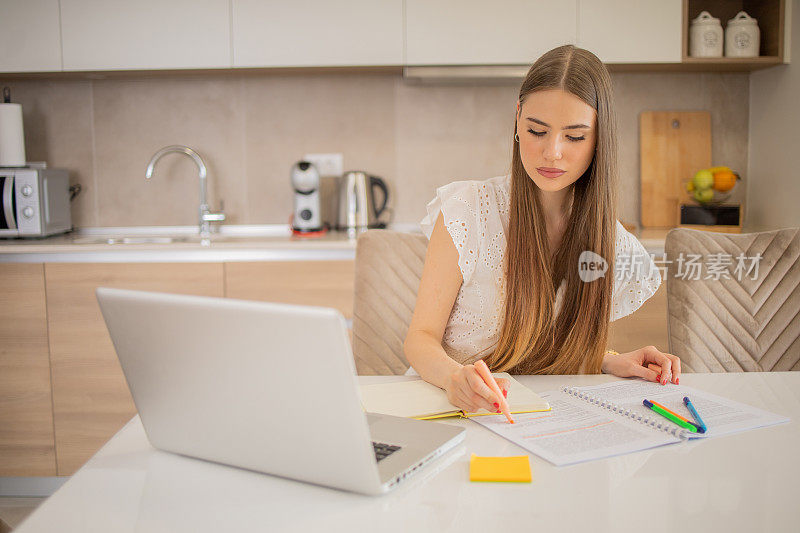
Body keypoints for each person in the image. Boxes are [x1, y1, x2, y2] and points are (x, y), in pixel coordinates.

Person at [404, 45, 681, 414]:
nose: (552, 152)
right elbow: (420, 339)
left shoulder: (612, 242)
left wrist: (609, 359)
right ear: (518, 120)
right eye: (537, 130)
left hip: (538, 417)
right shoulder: (468, 210)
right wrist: (455, 379)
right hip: (447, 408)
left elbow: (543, 344)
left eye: (575, 137)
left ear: (599, 138)